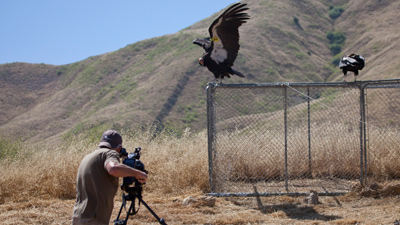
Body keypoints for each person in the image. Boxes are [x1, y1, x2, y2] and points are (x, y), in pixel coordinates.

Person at [72, 129, 148, 225]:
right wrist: (137, 173)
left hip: (79, 216)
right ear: (120, 148)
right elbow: (113, 168)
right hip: (94, 218)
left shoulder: (88, 157)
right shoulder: (110, 153)